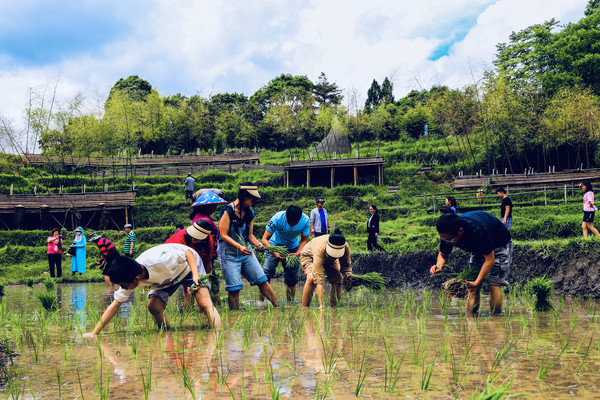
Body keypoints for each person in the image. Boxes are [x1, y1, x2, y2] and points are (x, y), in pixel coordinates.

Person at [83, 243, 221, 337]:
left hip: (188, 268)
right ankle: (167, 332)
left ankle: (218, 336)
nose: (123, 289)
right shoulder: (128, 276)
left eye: (124, 286)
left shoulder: (161, 261)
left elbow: (188, 253)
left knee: (204, 303)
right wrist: (94, 333)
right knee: (153, 306)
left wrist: (196, 276)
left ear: (137, 280)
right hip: (166, 280)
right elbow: (114, 306)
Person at [429, 212, 513, 314]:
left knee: (493, 283)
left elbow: (490, 260)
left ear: (460, 231)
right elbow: (443, 255)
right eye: (443, 239)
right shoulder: (447, 234)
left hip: (499, 243)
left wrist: (478, 281)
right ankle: (471, 320)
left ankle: (496, 321)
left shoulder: (477, 230)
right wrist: (438, 266)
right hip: (477, 247)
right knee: (472, 287)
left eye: (449, 239)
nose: (446, 242)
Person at [218, 183, 278, 310]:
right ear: (244, 196)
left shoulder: (250, 213)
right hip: (229, 253)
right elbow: (223, 235)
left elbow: (250, 235)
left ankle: (277, 307)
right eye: (252, 199)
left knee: (262, 280)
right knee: (234, 289)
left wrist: (258, 243)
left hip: (246, 251)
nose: (253, 202)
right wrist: (239, 247)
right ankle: (234, 317)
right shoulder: (227, 211)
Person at [261, 205, 310, 301]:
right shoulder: (278, 218)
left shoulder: (305, 220)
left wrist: (298, 253)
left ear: (299, 219)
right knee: (266, 274)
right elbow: (264, 239)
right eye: (289, 222)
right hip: (274, 245)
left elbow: (304, 240)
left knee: (292, 278)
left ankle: (290, 303)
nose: (291, 225)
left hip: (293, 248)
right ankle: (261, 302)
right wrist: (274, 252)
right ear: (286, 217)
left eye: (294, 223)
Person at [165, 219, 216, 306]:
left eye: (197, 237)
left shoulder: (208, 239)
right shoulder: (178, 239)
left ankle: (202, 312)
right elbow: (167, 260)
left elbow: (207, 260)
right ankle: (188, 314)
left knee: (201, 288)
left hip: (197, 261)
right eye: (193, 235)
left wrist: (204, 280)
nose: (193, 238)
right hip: (176, 264)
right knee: (188, 291)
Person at [300, 229, 353, 308]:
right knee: (311, 278)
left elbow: (346, 267)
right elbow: (319, 280)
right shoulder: (320, 249)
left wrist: (350, 277)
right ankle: (305, 308)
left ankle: (335, 307)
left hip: (330, 259)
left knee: (338, 279)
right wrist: (322, 306)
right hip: (309, 255)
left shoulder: (345, 246)